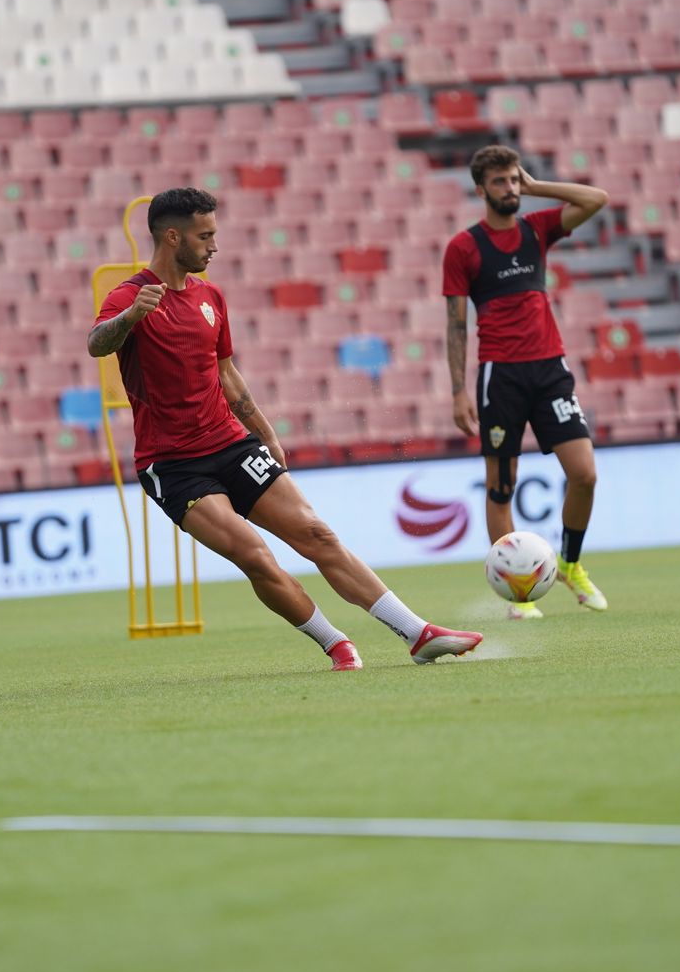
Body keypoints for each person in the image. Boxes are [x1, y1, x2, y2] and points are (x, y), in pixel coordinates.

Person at [88, 187, 482, 670]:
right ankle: (336, 643)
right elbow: (96, 344)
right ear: (173, 237)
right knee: (255, 554)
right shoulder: (129, 296)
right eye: (204, 235)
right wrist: (131, 317)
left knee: (317, 534)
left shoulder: (211, 296)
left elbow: (227, 374)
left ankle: (418, 634)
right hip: (173, 464)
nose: (214, 245)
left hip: (232, 443)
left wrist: (266, 434)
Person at [444, 145, 610, 620]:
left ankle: (571, 565)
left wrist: (538, 187)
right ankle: (519, 592)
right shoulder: (464, 248)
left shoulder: (536, 231)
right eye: (499, 182)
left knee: (585, 474)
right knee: (501, 487)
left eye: (515, 180)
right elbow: (456, 324)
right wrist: (459, 390)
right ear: (481, 190)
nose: (510, 189)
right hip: (501, 375)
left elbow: (596, 198)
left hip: (550, 370)